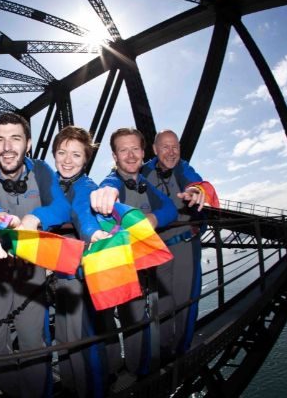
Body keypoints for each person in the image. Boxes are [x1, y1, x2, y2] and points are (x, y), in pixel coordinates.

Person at [0, 113, 71, 398]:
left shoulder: (40, 170)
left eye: (15, 138)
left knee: (32, 343)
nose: (7, 147)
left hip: (32, 268)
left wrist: (35, 218)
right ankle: (16, 391)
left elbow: (62, 207)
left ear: (28, 143)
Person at [90, 127, 178, 378]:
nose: (130, 155)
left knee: (137, 318)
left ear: (143, 153)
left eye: (135, 149)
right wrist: (107, 192)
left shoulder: (144, 184)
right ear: (115, 157)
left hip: (139, 268)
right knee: (114, 319)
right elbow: (109, 186)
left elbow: (170, 208)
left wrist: (152, 217)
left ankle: (134, 368)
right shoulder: (113, 181)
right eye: (123, 150)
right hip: (115, 267)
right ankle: (120, 371)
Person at [50, 126, 110, 397]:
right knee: (64, 339)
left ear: (86, 159)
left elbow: (83, 212)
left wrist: (92, 232)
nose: (67, 160)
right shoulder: (50, 183)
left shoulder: (85, 186)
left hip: (77, 277)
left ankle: (94, 391)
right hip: (59, 277)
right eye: (62, 152)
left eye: (76, 154)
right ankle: (73, 388)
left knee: (83, 340)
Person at [140, 129, 208, 360]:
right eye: (165, 147)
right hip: (158, 249)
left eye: (175, 146)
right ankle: (163, 348)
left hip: (185, 245)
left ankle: (181, 349)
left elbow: (195, 181)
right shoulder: (144, 171)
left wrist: (196, 190)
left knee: (185, 300)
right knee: (164, 303)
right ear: (155, 149)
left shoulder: (182, 167)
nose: (171, 152)